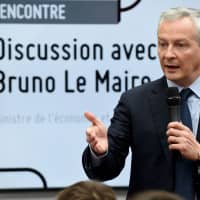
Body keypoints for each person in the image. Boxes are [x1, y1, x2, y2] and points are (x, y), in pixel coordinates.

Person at [82, 7, 200, 200]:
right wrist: (100, 151)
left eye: (180, 45)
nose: (168, 54)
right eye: (162, 44)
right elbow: (105, 171)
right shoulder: (135, 101)